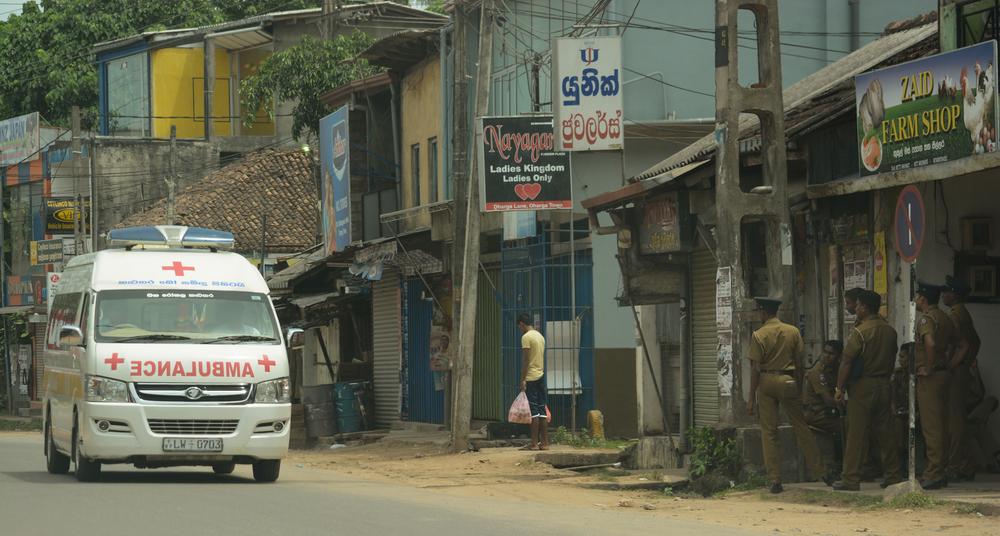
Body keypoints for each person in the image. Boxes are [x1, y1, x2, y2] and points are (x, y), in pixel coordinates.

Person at [747, 297, 825, 494]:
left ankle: (775, 480)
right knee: (801, 426)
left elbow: (755, 368)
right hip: (788, 380)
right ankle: (820, 472)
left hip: (766, 381)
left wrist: (750, 398)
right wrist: (800, 390)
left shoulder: (758, 335)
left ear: (763, 312)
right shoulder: (793, 331)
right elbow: (799, 364)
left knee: (769, 431)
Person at [832, 290, 902, 491]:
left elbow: (846, 361)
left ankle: (850, 478)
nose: (856, 308)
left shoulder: (861, 332)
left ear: (864, 307)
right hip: (884, 384)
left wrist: (840, 388)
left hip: (864, 385)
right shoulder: (890, 330)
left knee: (856, 432)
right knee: (885, 432)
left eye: (859, 305)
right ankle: (893, 474)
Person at [914, 282, 955, 490]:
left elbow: (929, 343)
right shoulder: (945, 318)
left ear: (923, 299)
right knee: (943, 423)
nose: (916, 299)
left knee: (931, 426)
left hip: (931, 377)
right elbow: (960, 344)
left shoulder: (926, 318)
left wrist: (929, 367)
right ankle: (942, 469)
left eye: (918, 296)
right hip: (944, 374)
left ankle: (934, 472)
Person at [943, 276, 981, 482]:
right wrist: (967, 363)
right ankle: (965, 464)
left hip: (955, 373)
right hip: (961, 371)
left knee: (954, 420)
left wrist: (954, 364)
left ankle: (956, 464)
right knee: (958, 419)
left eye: (946, 291)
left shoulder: (955, 315)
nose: (943, 295)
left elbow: (964, 344)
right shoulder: (962, 313)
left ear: (954, 294)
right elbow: (976, 342)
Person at [803, 340, 844, 480]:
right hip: (817, 413)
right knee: (846, 427)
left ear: (839, 356)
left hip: (831, 411)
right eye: (825, 352)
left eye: (831, 354)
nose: (827, 356)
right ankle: (839, 466)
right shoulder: (817, 372)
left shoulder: (837, 369)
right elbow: (828, 401)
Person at [518, 313, 548, 451]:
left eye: (519, 326)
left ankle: (534, 443)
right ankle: (545, 443)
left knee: (534, 411)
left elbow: (526, 360)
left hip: (531, 377)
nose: (520, 328)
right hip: (541, 375)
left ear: (522, 324)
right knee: (542, 409)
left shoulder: (526, 337)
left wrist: (523, 379)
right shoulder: (540, 336)